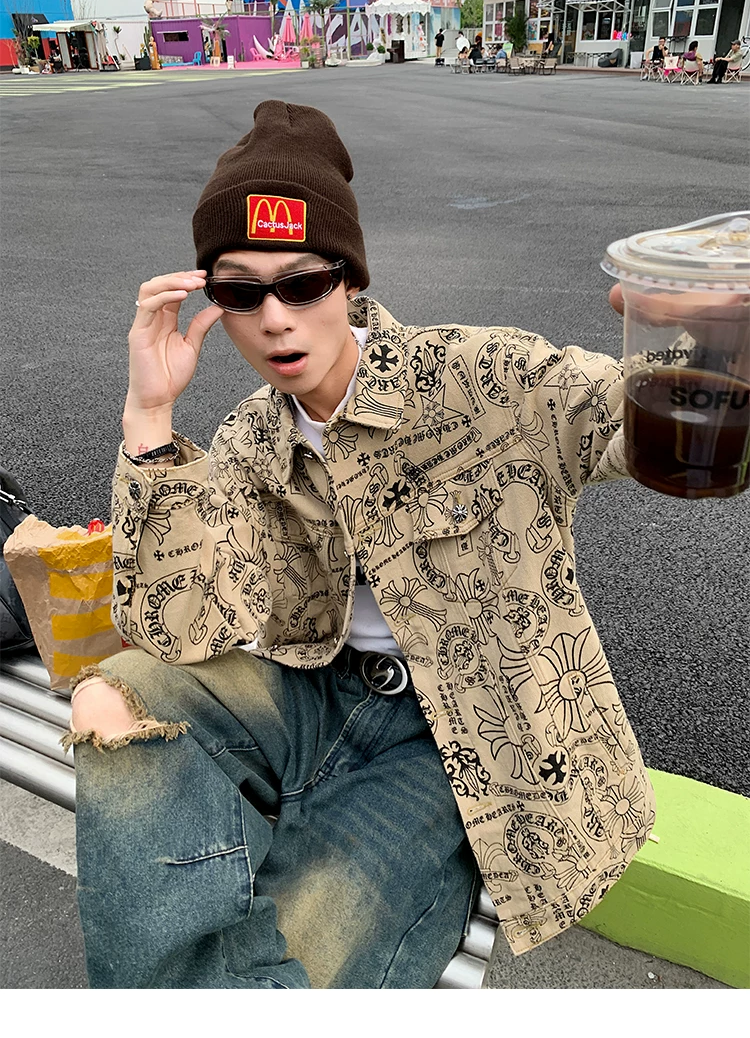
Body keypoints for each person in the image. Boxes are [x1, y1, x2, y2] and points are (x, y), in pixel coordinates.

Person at [68, 99, 657, 990]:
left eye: (302, 283)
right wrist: (150, 418)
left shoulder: (484, 381)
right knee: (112, 698)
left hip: (458, 730)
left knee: (306, 939)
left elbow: (661, 435)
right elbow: (179, 633)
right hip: (312, 688)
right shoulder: (250, 439)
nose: (275, 319)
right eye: (240, 292)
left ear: (348, 281)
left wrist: (707, 353)